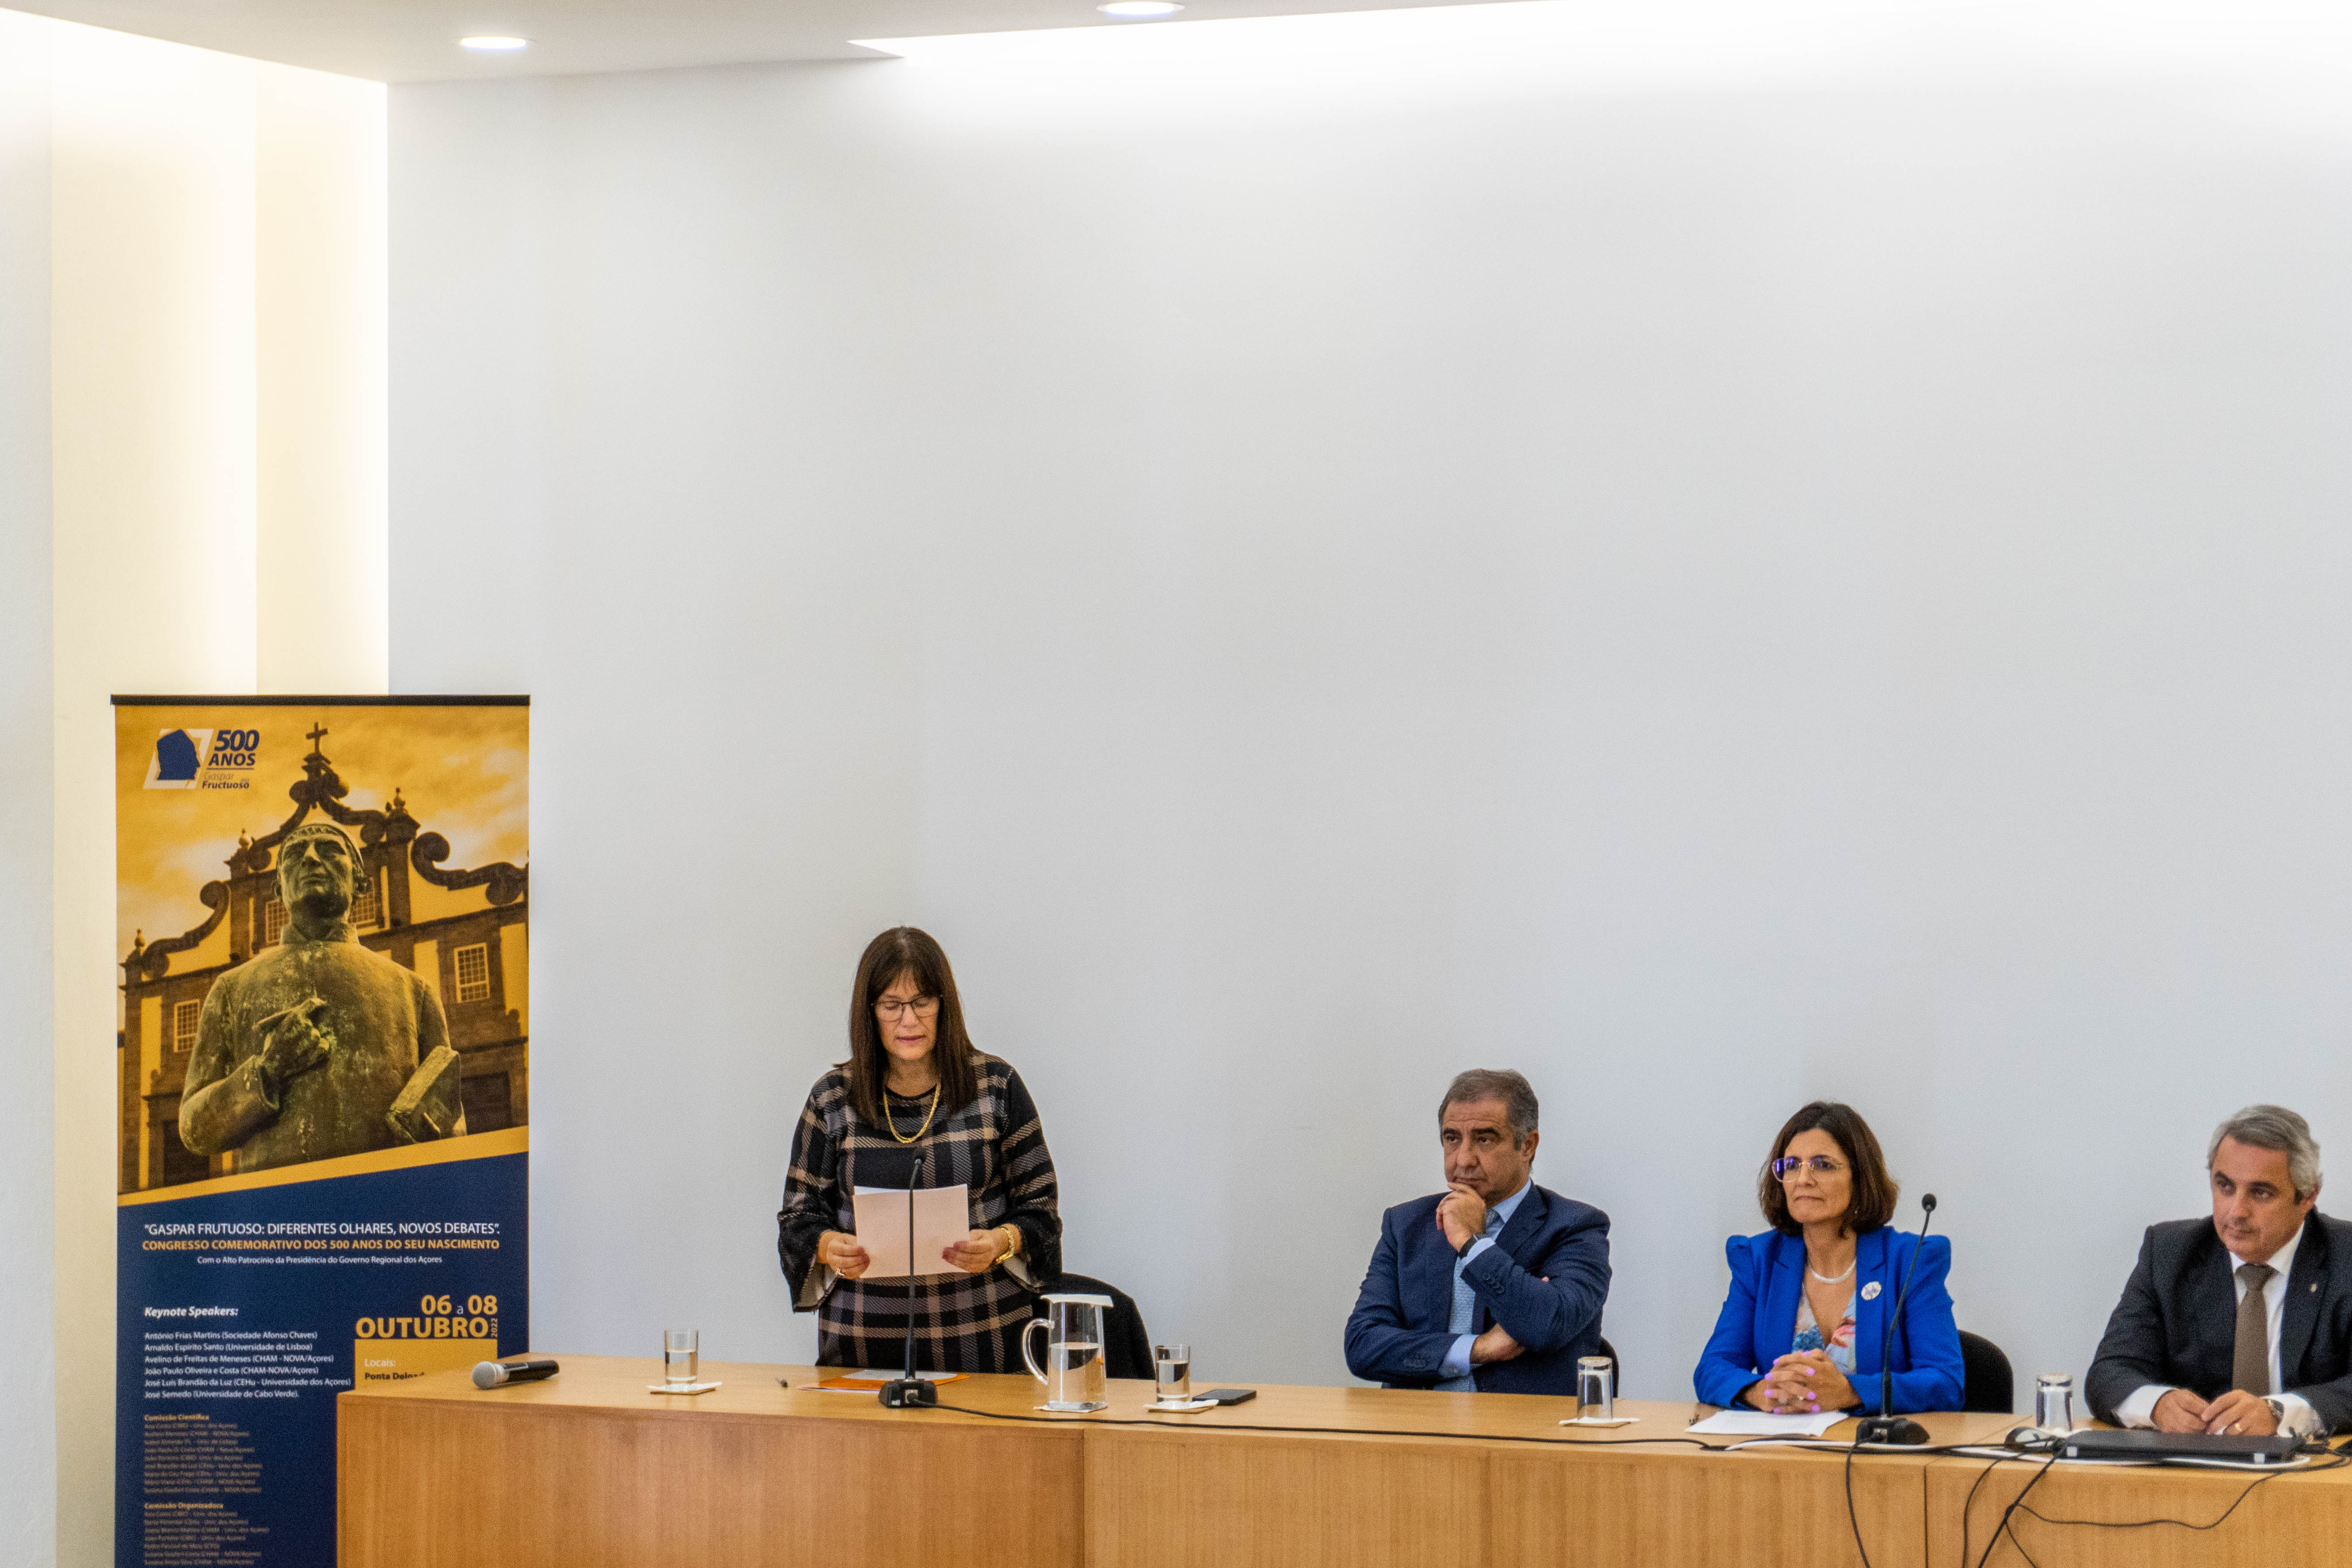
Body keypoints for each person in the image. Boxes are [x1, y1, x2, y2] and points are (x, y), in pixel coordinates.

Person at [776, 927, 1062, 1373]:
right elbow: (798, 1218)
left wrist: (1001, 1242)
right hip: (862, 1343)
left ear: (944, 1005)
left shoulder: (996, 1086)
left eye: (922, 1002)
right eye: (892, 1005)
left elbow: (1041, 1208)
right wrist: (830, 1246)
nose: (908, 1021)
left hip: (983, 1335)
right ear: (869, 1012)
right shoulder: (832, 1098)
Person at [180, 821, 464, 1171]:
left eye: (329, 850)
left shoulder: (414, 990)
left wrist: (433, 1137)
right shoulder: (231, 988)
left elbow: (451, 1122)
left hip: (383, 1194)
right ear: (278, 888)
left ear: (361, 883)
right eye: (295, 854)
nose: (311, 858)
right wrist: (267, 1072)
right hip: (278, 1200)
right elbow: (194, 1130)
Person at [2087, 1105, 2352, 1439]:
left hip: (2313, 1467)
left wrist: (2281, 1414)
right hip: (2194, 1464)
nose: (2236, 1212)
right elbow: (2109, 1372)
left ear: (2308, 1196)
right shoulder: (2169, 1254)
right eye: (2224, 1187)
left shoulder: (2345, 1258)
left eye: (2260, 1193)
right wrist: (2157, 1405)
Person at [1344, 1069, 1611, 1395]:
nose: (1463, 1159)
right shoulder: (1404, 1225)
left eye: (1484, 1139)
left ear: (1527, 1146)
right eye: (1452, 1138)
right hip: (1417, 1421)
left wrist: (1472, 1243)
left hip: (1523, 1423)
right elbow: (1362, 1346)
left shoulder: (1576, 1226)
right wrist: (1479, 1349)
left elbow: (1547, 1325)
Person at [1694, 1102, 1961, 1414]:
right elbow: (1713, 1368)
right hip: (1782, 1442)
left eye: (1822, 1165)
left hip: (1873, 1443)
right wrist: (1761, 1392)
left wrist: (1849, 1392)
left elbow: (1945, 1382)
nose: (1803, 1179)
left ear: (1859, 1178)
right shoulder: (1758, 1261)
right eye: (1791, 1165)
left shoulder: (1911, 1262)